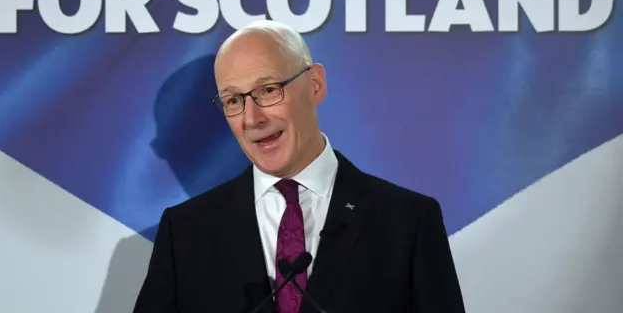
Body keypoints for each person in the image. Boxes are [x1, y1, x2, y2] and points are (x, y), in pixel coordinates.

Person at [133, 20, 466, 313]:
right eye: (234, 100)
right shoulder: (185, 233)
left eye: (268, 90)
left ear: (315, 85)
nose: (253, 118)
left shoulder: (407, 223)